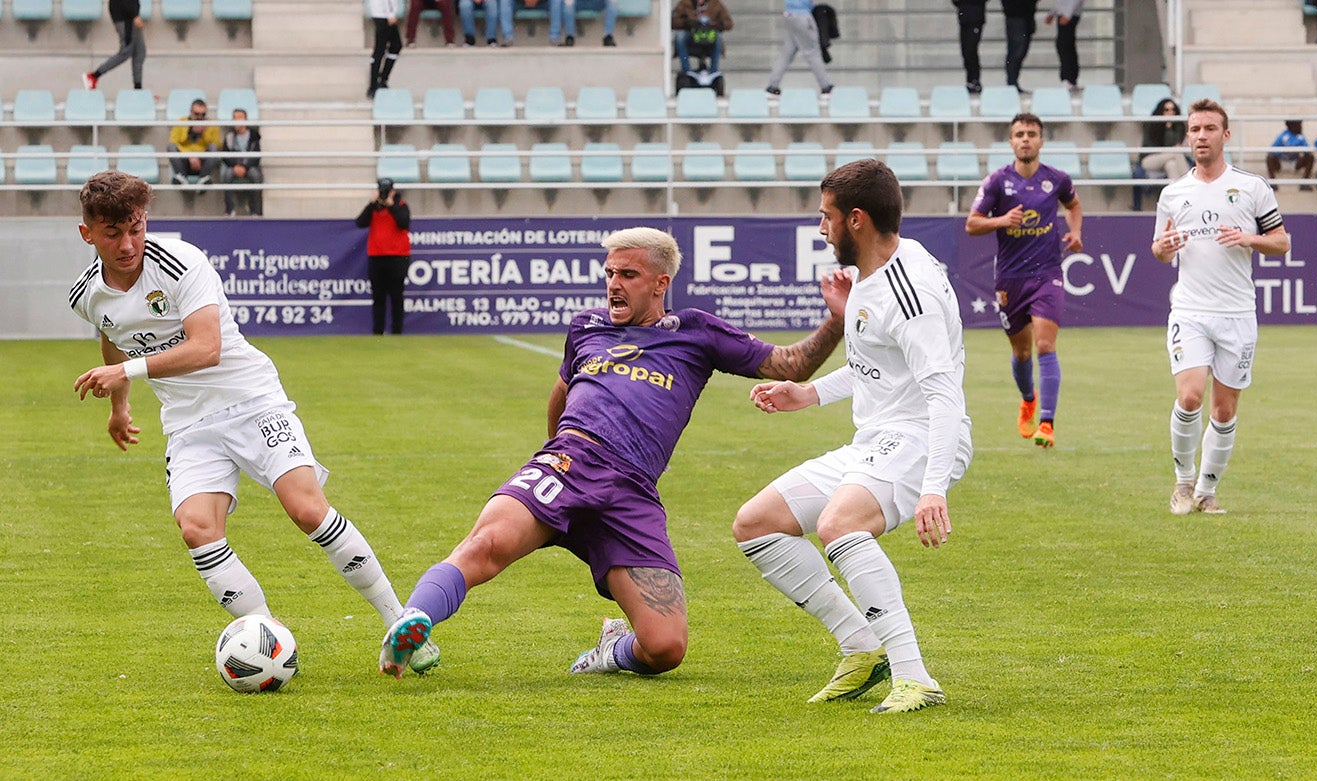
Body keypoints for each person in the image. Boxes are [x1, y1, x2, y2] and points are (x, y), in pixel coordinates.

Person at [377, 226, 850, 680]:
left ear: (661, 282)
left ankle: (612, 650)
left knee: (665, 647)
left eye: (628, 275)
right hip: (571, 461)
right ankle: (413, 623)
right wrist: (556, 448)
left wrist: (836, 320)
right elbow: (563, 390)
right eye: (609, 274)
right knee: (485, 546)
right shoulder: (586, 328)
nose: (613, 285)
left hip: (632, 492)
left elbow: (792, 363)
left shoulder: (696, 332)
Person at [67, 170, 439, 674]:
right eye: (113, 234)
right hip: (189, 426)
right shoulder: (87, 293)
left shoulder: (181, 262)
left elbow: (206, 347)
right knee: (197, 529)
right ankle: (268, 643)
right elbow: (113, 333)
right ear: (88, 232)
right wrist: (120, 405)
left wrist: (124, 370)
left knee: (307, 509)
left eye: (135, 227)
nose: (129, 243)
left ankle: (400, 627)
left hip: (251, 400)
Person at [734, 160, 973, 715]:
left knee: (839, 524)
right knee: (756, 523)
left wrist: (933, 488)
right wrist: (808, 393)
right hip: (878, 437)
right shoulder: (875, 271)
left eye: (826, 217)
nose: (822, 229)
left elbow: (943, 398)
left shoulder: (910, 293)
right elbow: (877, 365)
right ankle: (862, 648)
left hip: (921, 438)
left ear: (857, 220)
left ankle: (914, 677)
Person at [1151, 99, 1290, 515]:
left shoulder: (1251, 187)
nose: (1201, 136)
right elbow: (1158, 249)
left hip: (1237, 313)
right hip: (1190, 310)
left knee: (1224, 409)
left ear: (1225, 135)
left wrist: (1250, 239)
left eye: (1209, 129)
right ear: (1187, 136)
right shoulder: (1173, 193)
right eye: (1194, 129)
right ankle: (1182, 483)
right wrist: (1164, 247)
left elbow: (1282, 242)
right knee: (1190, 396)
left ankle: (1208, 490)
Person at [965, 112, 1083, 449]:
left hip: (1047, 274)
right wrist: (1002, 220)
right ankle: (1028, 398)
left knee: (1045, 344)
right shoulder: (997, 182)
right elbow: (972, 224)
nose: (1026, 139)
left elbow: (1073, 205)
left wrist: (1075, 232)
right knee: (1021, 352)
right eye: (1019, 134)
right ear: (1011, 141)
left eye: (1032, 133)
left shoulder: (1057, 179)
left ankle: (1047, 423)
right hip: (1010, 278)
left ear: (1041, 141)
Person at [354, 178, 411, 335]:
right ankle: (377, 331)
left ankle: (397, 331)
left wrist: (391, 205)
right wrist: (371, 204)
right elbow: (360, 222)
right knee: (378, 297)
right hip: (377, 257)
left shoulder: (401, 206)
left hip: (398, 257)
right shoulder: (374, 209)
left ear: (393, 191)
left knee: (396, 296)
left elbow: (404, 222)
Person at [765, 0, 834, 96]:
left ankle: (772, 86)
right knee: (812, 52)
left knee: (787, 52)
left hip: (789, 15)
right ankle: (825, 87)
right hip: (803, 17)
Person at [1133, 97, 1188, 211]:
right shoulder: (1152, 125)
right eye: (1166, 110)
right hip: (1150, 160)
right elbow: (1152, 148)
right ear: (1160, 111)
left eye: (1173, 110)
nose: (1170, 113)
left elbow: (1175, 144)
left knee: (1171, 165)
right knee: (1177, 152)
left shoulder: (1179, 126)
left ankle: (1178, 202)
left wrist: (1170, 128)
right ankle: (1189, 184)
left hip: (1170, 160)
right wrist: (1166, 129)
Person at [84, 0, 146, 91]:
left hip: (129, 18)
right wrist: (134, 15)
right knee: (125, 52)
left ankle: (138, 88)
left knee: (139, 52)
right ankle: (94, 75)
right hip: (126, 19)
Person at [167, 99, 220, 188]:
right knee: (171, 147)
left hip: (202, 161)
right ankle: (181, 177)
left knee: (213, 147)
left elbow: (218, 145)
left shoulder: (211, 124)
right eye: (196, 114)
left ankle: (203, 179)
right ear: (191, 112)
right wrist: (190, 156)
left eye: (203, 114)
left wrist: (205, 133)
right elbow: (173, 141)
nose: (199, 117)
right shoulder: (182, 122)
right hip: (185, 160)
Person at [219, 109, 262, 217]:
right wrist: (235, 166)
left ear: (246, 120)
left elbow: (256, 156)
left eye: (240, 117)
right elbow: (225, 156)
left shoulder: (254, 136)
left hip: (249, 166)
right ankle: (229, 210)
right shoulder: (229, 137)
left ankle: (254, 210)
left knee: (256, 175)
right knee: (227, 174)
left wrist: (245, 167)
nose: (237, 121)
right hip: (234, 166)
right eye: (235, 118)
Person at [672, 0, 734, 76]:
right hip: (691, 37)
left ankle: (713, 71)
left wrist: (715, 24)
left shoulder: (716, 3)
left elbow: (729, 24)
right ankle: (686, 70)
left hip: (709, 36)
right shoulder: (684, 3)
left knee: (718, 37)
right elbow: (674, 22)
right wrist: (689, 22)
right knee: (680, 36)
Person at [1264, 119, 1315, 190]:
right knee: (1270, 157)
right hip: (1281, 162)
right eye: (1299, 125)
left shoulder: (1300, 136)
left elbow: (1307, 150)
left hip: (1295, 162)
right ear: (1292, 126)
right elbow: (1272, 150)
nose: (1301, 127)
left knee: (1310, 157)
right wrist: (1284, 151)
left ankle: (1305, 182)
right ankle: (1273, 183)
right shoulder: (1283, 136)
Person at [367, 0, 403, 99]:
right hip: (384, 15)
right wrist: (391, 14)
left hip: (381, 13)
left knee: (395, 46)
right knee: (380, 50)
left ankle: (382, 79)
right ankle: (374, 85)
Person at [952, 0, 988, 94]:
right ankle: (970, 80)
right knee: (965, 51)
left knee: (971, 49)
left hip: (976, 17)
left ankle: (975, 80)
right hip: (964, 17)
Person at [1046, 0, 1083, 91]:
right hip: (1064, 14)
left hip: (1069, 15)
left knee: (1065, 46)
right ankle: (1069, 79)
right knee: (1066, 46)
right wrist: (1052, 13)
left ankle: (1068, 78)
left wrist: (1067, 15)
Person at [1002, 0, 1037, 94]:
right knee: (1016, 51)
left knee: (1020, 51)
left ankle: (1013, 81)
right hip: (1016, 16)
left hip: (1026, 17)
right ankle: (1012, 82)